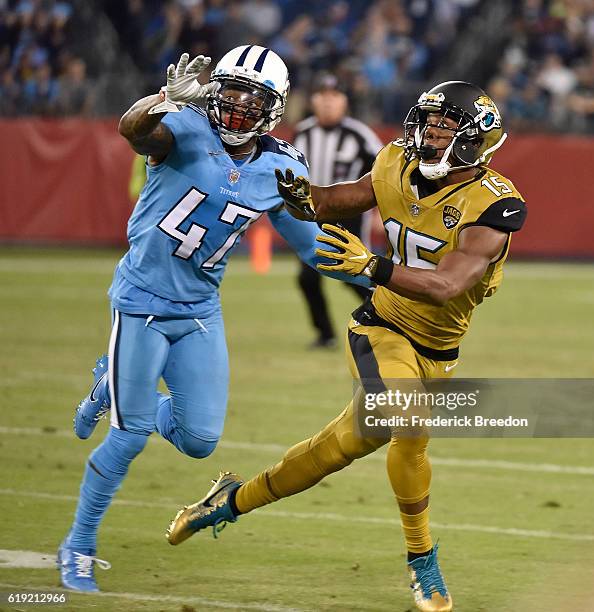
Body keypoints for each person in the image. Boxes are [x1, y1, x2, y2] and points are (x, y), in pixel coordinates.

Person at [166, 81, 527, 612]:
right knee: (407, 426)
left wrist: (371, 264)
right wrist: (299, 196)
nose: (429, 134)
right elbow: (339, 199)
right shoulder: (398, 164)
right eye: (426, 122)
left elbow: (447, 285)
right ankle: (423, 562)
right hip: (382, 327)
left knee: (338, 449)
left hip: (440, 348)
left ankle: (230, 501)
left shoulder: (497, 205)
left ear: (476, 141)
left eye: (444, 126)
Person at [56, 44, 367, 593]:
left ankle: (114, 385)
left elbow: (312, 246)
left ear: (274, 108)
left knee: (200, 438)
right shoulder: (183, 126)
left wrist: (381, 278)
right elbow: (134, 130)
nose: (238, 107)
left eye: (254, 99)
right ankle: (78, 544)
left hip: (199, 308)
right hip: (141, 300)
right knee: (128, 438)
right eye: (231, 92)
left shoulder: (281, 166)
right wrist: (158, 99)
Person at [293, 72, 383, 348]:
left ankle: (386, 316)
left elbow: (385, 172)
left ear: (345, 102)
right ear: (313, 100)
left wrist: (380, 211)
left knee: (355, 273)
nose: (328, 103)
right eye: (322, 96)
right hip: (313, 214)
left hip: (350, 214)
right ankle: (326, 334)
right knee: (308, 277)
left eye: (335, 96)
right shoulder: (303, 132)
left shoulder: (359, 134)